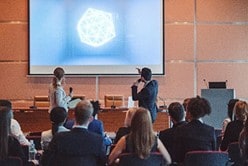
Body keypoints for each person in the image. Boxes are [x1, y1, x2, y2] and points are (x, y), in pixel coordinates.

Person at [41, 100, 106, 166]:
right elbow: (102, 162)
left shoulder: (59, 137)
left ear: (74, 115)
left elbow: (46, 161)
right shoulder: (98, 140)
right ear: (91, 119)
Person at [173, 96, 216, 163]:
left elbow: (177, 156)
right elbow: (213, 154)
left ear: (189, 112)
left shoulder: (180, 130)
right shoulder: (210, 130)